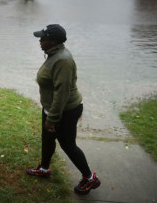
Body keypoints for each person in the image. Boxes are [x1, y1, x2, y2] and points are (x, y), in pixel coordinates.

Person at [26, 24, 101, 195]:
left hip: (64, 111)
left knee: (68, 145)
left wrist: (52, 118)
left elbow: (62, 93)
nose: (40, 41)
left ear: (53, 41)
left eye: (43, 38)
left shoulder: (62, 60)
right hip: (51, 108)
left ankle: (90, 178)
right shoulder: (54, 54)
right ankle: (44, 169)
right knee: (47, 139)